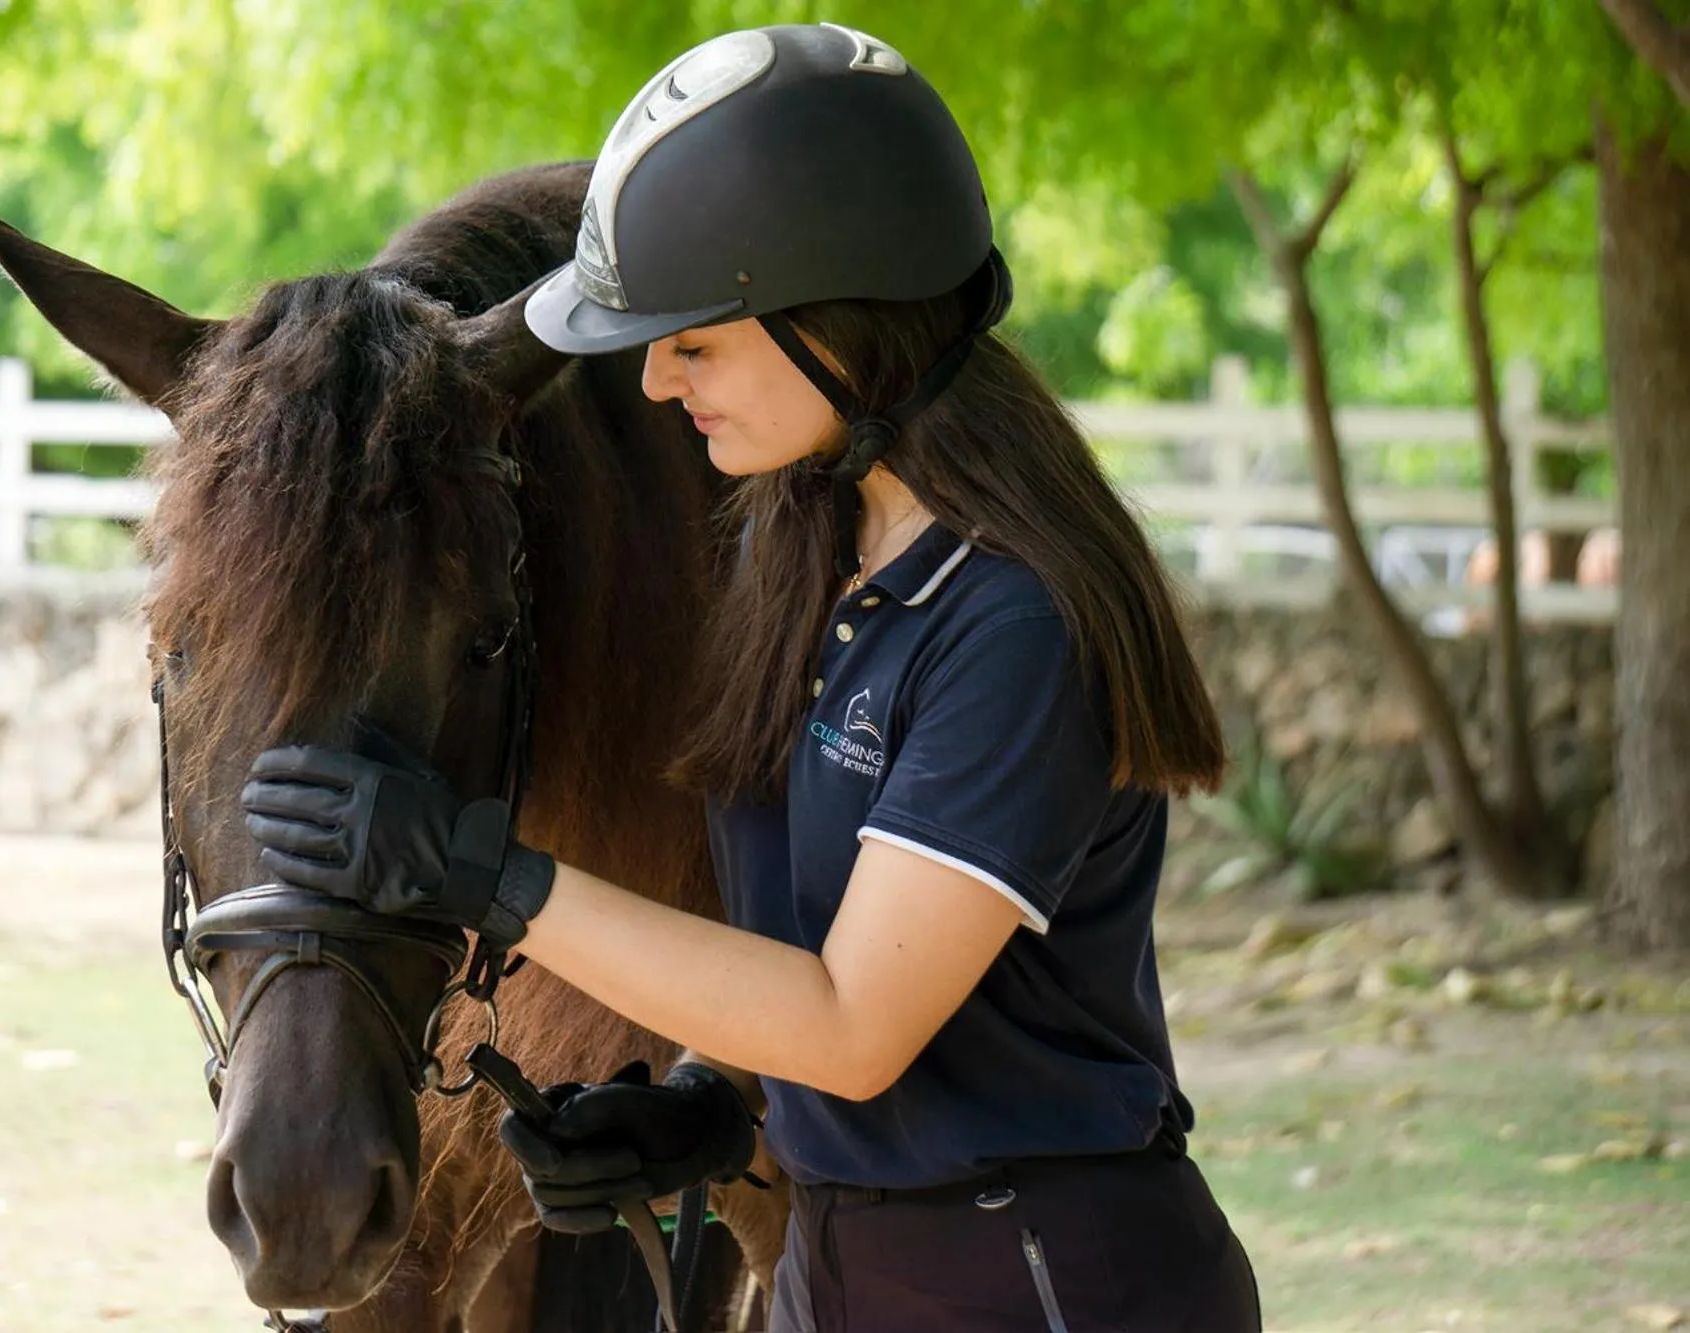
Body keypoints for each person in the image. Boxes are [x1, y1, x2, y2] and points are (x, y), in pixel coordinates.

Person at [240, 23, 1260, 1333]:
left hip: (1036, 1281)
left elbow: (851, 1022)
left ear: (836, 320)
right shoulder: (812, 564)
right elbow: (812, 946)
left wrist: (481, 875)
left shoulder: (1011, 625)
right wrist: (709, 1102)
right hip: (841, 1273)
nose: (656, 381)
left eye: (695, 343)